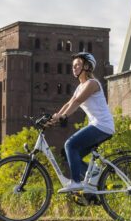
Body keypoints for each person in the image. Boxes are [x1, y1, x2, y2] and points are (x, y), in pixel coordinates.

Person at [46, 52, 115, 193]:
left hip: (102, 125)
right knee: (69, 154)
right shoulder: (80, 87)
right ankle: (95, 174)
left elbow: (77, 102)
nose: (74, 68)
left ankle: (76, 182)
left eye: (78, 65)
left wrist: (63, 116)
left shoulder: (92, 84)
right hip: (97, 126)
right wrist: (54, 118)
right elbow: (69, 102)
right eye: (73, 66)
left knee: (70, 144)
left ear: (87, 66)